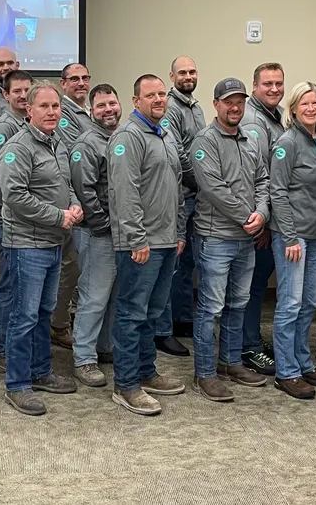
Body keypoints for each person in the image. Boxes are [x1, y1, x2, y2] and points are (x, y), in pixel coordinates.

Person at [106, 75, 187, 415]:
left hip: (167, 240)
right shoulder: (128, 137)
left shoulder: (165, 134)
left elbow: (177, 186)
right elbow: (125, 193)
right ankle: (126, 385)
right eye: (150, 95)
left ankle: (146, 371)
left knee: (153, 312)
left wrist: (179, 231)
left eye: (160, 94)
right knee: (131, 313)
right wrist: (137, 239)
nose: (158, 99)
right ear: (135, 100)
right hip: (141, 244)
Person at [0, 83, 82, 415]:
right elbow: (15, 197)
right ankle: (17, 385)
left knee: (44, 312)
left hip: (53, 242)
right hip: (27, 245)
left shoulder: (57, 143)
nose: (52, 112)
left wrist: (74, 206)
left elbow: (66, 185)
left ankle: (41, 371)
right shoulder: (17, 147)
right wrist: (58, 216)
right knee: (24, 316)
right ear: (28, 110)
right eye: (44, 106)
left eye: (56, 106)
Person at [190, 78, 270, 402]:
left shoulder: (250, 140)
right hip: (215, 240)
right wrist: (247, 216)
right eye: (228, 101)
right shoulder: (204, 141)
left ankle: (230, 361)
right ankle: (205, 374)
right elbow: (213, 188)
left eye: (240, 101)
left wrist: (262, 213)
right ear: (216, 105)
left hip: (245, 239)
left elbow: (263, 179)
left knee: (238, 304)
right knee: (211, 308)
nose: (235, 107)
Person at [268, 82, 316, 400]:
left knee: (310, 302)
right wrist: (290, 236)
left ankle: (303, 363)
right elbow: (277, 191)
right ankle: (287, 372)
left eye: (315, 103)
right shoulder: (287, 143)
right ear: (293, 109)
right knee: (290, 304)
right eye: (304, 104)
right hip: (291, 237)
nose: (311, 108)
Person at [69, 84, 122, 388]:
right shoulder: (87, 143)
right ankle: (83, 358)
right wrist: (102, 225)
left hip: (119, 233)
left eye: (111, 103)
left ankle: (105, 348)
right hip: (96, 232)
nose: (108, 110)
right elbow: (83, 190)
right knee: (94, 296)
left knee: (112, 295)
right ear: (91, 110)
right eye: (101, 105)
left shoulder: (121, 138)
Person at [239, 63, 286, 373]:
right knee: (252, 287)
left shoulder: (275, 114)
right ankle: (248, 347)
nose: (273, 89)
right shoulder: (254, 122)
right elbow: (261, 176)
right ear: (254, 87)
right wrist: (266, 223)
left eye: (278, 83)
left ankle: (251, 338)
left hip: (270, 217)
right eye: (267, 83)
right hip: (261, 223)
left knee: (254, 286)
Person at [155, 56, 205, 348]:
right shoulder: (170, 108)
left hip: (195, 196)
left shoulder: (195, 107)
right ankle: (164, 330)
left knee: (186, 263)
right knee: (170, 265)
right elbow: (179, 156)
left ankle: (182, 319)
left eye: (192, 71)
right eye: (182, 72)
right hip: (180, 195)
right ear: (171, 76)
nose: (188, 76)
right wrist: (202, 183)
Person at [0, 70, 34, 365]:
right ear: (6, 95)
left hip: (31, 220)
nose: (23, 95)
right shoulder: (4, 128)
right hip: (11, 219)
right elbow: (2, 181)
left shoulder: (29, 124)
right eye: (17, 90)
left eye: (28, 89)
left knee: (23, 287)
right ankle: (2, 346)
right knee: (8, 284)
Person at [51, 62, 92, 350]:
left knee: (78, 269)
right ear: (63, 83)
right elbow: (82, 153)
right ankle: (58, 324)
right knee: (69, 269)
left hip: (85, 205)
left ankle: (67, 319)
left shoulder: (88, 111)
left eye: (84, 78)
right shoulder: (64, 115)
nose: (80, 83)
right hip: (73, 205)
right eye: (74, 79)